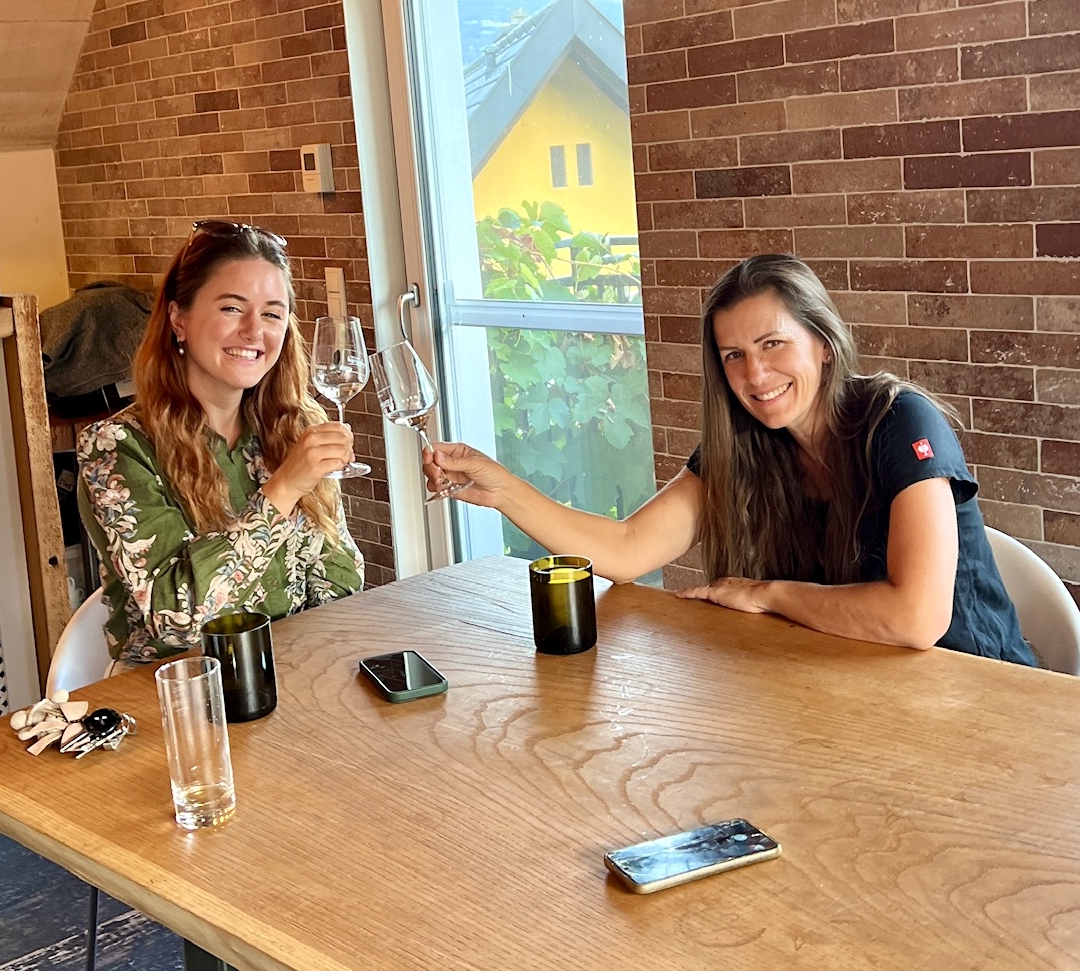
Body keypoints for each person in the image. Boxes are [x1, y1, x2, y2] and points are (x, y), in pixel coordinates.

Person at [77, 220, 482, 971]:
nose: (256, 331)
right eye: (232, 307)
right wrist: (280, 497)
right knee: (306, 819)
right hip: (182, 716)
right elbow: (176, 611)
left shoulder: (281, 430)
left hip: (290, 693)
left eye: (273, 312)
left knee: (433, 785)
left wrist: (306, 490)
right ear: (178, 319)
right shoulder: (115, 448)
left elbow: (334, 590)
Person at [425, 252, 1035, 667]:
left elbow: (916, 618)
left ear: (823, 345)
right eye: (734, 355)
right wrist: (502, 489)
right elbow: (627, 549)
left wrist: (767, 594)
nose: (756, 374)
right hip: (850, 687)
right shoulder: (744, 446)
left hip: (982, 689)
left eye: (774, 344)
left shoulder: (900, 421)